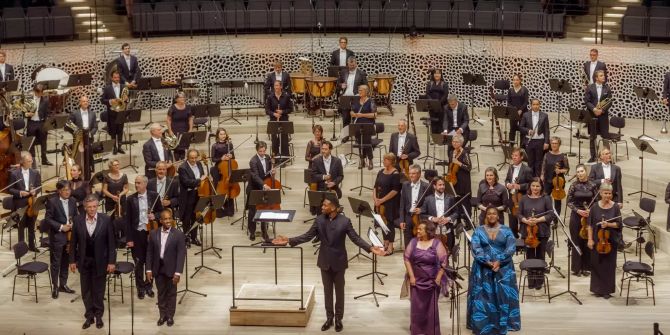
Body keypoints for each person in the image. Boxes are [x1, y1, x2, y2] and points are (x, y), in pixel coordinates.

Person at [272, 197, 385, 333]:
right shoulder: (319, 219)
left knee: (339, 291)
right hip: (324, 260)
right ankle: (329, 318)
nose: (322, 207)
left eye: (325, 205)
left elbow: (355, 238)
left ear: (333, 208)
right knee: (327, 292)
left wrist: (370, 248)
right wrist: (289, 240)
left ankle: (338, 319)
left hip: (339, 262)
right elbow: (307, 236)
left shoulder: (345, 221)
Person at [467, 207, 521, 335]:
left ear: (498, 216)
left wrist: (499, 261)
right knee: (482, 298)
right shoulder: (478, 230)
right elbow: (475, 247)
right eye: (489, 214)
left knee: (503, 296)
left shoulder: (507, 230)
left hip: (503, 268)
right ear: (486, 216)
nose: (491, 216)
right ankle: (482, 325)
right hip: (482, 267)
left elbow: (511, 248)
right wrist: (487, 261)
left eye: (494, 214)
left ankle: (505, 324)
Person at [68, 195, 116, 330]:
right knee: (86, 291)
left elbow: (111, 243)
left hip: (101, 261)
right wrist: (72, 260)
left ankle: (99, 315)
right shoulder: (78, 220)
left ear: (97, 206)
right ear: (85, 207)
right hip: (84, 261)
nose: (92, 209)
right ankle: (89, 316)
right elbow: (73, 243)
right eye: (89, 207)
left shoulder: (106, 220)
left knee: (99, 290)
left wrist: (112, 262)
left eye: (94, 206)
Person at [403, 221, 449, 335]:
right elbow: (406, 259)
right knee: (417, 306)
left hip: (432, 280)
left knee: (431, 307)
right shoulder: (413, 242)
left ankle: (430, 330)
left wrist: (438, 278)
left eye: (420, 229)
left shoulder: (436, 243)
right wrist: (412, 276)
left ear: (428, 231)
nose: (417, 231)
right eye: (417, 229)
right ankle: (417, 329)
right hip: (417, 279)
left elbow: (444, 261)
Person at [146, 209, 186, 327]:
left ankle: (170, 316)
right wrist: (148, 270)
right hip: (158, 268)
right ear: (161, 220)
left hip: (172, 269)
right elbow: (149, 253)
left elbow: (181, 255)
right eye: (166, 219)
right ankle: (162, 315)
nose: (168, 221)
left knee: (171, 293)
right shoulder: (153, 234)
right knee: (161, 293)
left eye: (170, 218)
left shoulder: (178, 234)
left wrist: (178, 272)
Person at [125, 175, 163, 300]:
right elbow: (127, 221)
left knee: (150, 261)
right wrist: (129, 239)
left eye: (139, 183)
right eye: (135, 183)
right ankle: (140, 287)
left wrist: (155, 216)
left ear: (145, 184)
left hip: (151, 232)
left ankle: (149, 286)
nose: (136, 185)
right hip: (137, 234)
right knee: (138, 262)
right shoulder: (130, 199)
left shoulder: (154, 195)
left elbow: (161, 212)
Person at [517, 178, 554, 289]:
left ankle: (539, 281)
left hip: (542, 231)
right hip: (527, 232)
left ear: (541, 187)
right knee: (530, 256)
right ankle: (531, 281)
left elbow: (550, 215)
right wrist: (526, 221)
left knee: (540, 256)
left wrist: (537, 220)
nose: (535, 188)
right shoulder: (523, 199)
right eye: (533, 185)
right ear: (530, 186)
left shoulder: (546, 198)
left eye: (537, 186)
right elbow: (519, 214)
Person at [587, 183, 622, 299]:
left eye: (609, 193)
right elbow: (590, 226)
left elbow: (619, 224)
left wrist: (608, 224)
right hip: (597, 241)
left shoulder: (615, 207)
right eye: (605, 193)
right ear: (600, 193)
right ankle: (597, 289)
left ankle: (607, 290)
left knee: (609, 265)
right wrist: (590, 239)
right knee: (597, 264)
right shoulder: (594, 207)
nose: (608, 196)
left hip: (610, 241)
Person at [44, 180, 78, 299]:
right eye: (65, 190)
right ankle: (55, 286)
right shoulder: (52, 202)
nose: (67, 192)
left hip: (70, 236)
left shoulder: (73, 201)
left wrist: (73, 224)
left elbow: (75, 216)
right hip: (58, 237)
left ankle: (63, 284)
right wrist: (61, 227)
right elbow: (47, 219)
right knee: (56, 263)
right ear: (59, 191)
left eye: (69, 189)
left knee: (65, 262)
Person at [566, 164, 597, 277]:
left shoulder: (593, 185)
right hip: (576, 216)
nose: (580, 173)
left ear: (586, 171)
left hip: (588, 216)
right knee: (576, 241)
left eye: (582, 171)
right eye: (578, 172)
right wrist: (578, 211)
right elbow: (569, 202)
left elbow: (596, 201)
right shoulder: (573, 185)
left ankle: (586, 267)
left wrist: (591, 210)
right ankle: (576, 267)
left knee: (586, 240)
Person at [8, 151, 41, 251]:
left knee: (32, 225)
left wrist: (35, 191)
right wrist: (20, 193)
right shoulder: (14, 174)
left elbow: (39, 187)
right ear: (22, 162)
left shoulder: (35, 173)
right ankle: (21, 247)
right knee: (21, 226)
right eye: (28, 161)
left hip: (32, 201)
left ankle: (32, 245)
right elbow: (10, 189)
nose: (31, 163)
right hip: (20, 202)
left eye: (31, 161)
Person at [373, 153, 402, 254]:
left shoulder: (395, 174)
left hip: (390, 203)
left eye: (386, 159)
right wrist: (375, 199)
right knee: (382, 223)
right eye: (384, 159)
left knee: (389, 224)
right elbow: (375, 187)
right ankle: (385, 242)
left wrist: (382, 200)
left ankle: (390, 245)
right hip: (379, 203)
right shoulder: (381, 171)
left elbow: (395, 191)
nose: (384, 161)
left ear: (392, 161)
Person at [247, 141, 274, 241]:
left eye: (264, 151)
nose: (262, 153)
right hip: (254, 188)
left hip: (264, 187)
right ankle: (252, 232)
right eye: (260, 151)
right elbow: (255, 176)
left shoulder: (267, 158)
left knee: (264, 209)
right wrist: (263, 184)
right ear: (257, 150)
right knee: (253, 211)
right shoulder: (253, 161)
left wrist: (272, 173)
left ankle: (264, 232)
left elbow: (267, 174)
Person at [178, 149, 205, 246]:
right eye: (191, 158)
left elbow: (202, 176)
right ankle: (186, 238)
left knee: (196, 217)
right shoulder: (182, 168)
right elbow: (186, 182)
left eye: (195, 158)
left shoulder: (199, 164)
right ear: (187, 158)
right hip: (188, 195)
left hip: (199, 194)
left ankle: (194, 237)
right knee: (187, 218)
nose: (194, 160)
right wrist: (199, 180)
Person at [421, 178, 458, 251]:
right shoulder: (428, 199)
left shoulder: (450, 198)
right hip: (433, 232)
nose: (442, 187)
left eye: (443, 185)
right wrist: (432, 218)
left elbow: (456, 212)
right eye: (440, 185)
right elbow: (422, 215)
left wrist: (448, 218)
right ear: (434, 186)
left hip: (447, 231)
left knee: (447, 254)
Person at [504, 148, 533, 238]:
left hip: (522, 198)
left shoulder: (527, 169)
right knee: (512, 220)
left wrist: (520, 186)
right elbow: (507, 179)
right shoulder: (511, 167)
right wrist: (508, 184)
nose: (514, 157)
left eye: (516, 155)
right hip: (512, 197)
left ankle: (524, 238)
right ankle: (514, 238)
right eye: (513, 155)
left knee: (523, 219)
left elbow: (531, 184)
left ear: (521, 157)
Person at [584, 70, 612, 163]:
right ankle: (593, 156)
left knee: (605, 137)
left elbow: (610, 101)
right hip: (593, 115)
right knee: (592, 137)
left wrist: (602, 110)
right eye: (601, 75)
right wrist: (594, 109)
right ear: (596, 78)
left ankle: (607, 157)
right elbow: (587, 101)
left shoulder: (607, 88)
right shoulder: (590, 88)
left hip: (603, 116)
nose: (603, 77)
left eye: (603, 75)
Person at [399, 164, 430, 248]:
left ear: (419, 174)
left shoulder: (426, 186)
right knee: (408, 245)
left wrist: (421, 209)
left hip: (420, 218)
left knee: (420, 243)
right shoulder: (405, 185)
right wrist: (402, 220)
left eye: (413, 173)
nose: (411, 175)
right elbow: (402, 203)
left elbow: (429, 204)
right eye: (410, 173)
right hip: (408, 217)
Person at [518, 99, 550, 177]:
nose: (535, 106)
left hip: (540, 141)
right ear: (531, 105)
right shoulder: (526, 115)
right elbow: (521, 127)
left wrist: (546, 142)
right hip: (529, 141)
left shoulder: (544, 115)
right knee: (530, 161)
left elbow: (546, 130)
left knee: (539, 161)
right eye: (534, 104)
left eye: (537, 104)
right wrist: (528, 131)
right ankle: (530, 179)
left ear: (540, 105)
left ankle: (537, 180)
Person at [540, 136, 570, 215]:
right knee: (545, 199)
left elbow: (567, 169)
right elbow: (543, 167)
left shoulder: (563, 156)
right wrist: (542, 176)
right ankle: (546, 216)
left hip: (558, 182)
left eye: (556, 143)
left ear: (559, 144)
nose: (554, 145)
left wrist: (560, 170)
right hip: (548, 180)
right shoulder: (546, 155)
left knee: (557, 201)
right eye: (552, 143)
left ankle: (556, 219)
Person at [69, 95, 97, 177]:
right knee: (79, 160)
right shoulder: (74, 113)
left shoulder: (92, 114)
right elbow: (69, 125)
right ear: (80, 103)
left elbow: (95, 127)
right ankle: (79, 177)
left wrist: (91, 133)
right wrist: (77, 133)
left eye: (87, 101)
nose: (86, 103)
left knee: (88, 160)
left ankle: (88, 178)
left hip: (89, 139)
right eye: (84, 101)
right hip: (78, 140)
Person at [210, 128, 235, 217]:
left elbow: (233, 158)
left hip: (228, 168)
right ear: (217, 135)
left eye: (224, 134)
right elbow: (213, 159)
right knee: (219, 187)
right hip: (218, 168)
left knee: (230, 186)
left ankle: (229, 209)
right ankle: (219, 209)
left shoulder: (229, 144)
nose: (223, 136)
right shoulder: (214, 146)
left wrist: (231, 156)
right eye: (221, 134)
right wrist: (221, 158)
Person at [350, 84, 377, 170]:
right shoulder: (356, 101)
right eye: (359, 90)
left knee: (367, 143)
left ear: (366, 91)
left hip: (368, 125)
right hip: (357, 125)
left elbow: (374, 114)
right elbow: (352, 111)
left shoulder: (371, 101)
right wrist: (353, 114)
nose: (359, 92)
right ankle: (362, 160)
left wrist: (362, 115)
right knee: (360, 143)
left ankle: (370, 160)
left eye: (361, 90)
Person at [265, 80, 293, 158]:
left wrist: (282, 111)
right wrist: (274, 114)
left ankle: (285, 157)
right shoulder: (270, 97)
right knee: (274, 139)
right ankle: (275, 157)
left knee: (284, 139)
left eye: (277, 85)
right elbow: (267, 110)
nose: (276, 87)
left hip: (284, 120)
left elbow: (290, 109)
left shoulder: (286, 96)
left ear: (281, 86)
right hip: (274, 120)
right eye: (275, 86)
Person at [101, 70, 127, 154]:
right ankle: (114, 147)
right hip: (111, 113)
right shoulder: (107, 88)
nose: (117, 79)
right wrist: (110, 101)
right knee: (113, 131)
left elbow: (126, 100)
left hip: (121, 112)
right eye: (115, 77)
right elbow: (102, 100)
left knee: (120, 130)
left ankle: (119, 146)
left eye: (118, 77)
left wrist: (127, 99)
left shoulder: (124, 87)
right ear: (112, 78)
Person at [25, 83, 52, 165]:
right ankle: (32, 160)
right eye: (39, 92)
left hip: (41, 123)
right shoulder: (28, 99)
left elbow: (48, 113)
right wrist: (27, 114)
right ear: (34, 91)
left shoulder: (45, 100)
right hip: (31, 123)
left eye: (42, 92)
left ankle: (44, 159)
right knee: (31, 142)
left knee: (44, 141)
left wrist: (47, 123)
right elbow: (23, 112)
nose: (41, 94)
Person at [337, 56, 367, 126]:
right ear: (347, 64)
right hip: (345, 98)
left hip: (357, 98)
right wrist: (341, 85)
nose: (352, 67)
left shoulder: (361, 73)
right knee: (345, 120)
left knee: (356, 120)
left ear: (356, 64)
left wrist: (361, 91)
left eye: (353, 65)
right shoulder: (343, 72)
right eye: (350, 65)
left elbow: (366, 86)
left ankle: (356, 136)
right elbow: (337, 84)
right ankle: (346, 136)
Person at [166, 91, 193, 161]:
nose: (183, 99)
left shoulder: (188, 107)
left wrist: (190, 130)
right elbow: (168, 120)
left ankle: (182, 163)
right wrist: (170, 131)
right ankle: (177, 163)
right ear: (176, 99)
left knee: (183, 148)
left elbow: (190, 119)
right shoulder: (172, 108)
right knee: (176, 149)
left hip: (185, 129)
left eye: (184, 97)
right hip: (175, 130)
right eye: (181, 97)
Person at [506, 74, 530, 145]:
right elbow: (508, 102)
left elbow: (526, 102)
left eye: (517, 80)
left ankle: (522, 146)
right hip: (513, 113)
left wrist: (520, 110)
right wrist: (514, 110)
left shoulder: (524, 89)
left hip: (523, 112)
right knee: (512, 129)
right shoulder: (510, 90)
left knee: (522, 129)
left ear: (520, 81)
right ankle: (511, 145)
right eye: (514, 80)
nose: (515, 81)